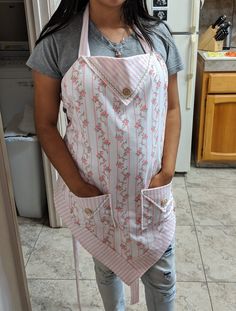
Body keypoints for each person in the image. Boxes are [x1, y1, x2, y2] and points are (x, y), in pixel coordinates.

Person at [26, 0, 183, 310]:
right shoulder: (57, 42)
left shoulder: (159, 35)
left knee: (162, 275)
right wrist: (77, 186)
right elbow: (45, 124)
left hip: (150, 192)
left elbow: (173, 108)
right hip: (96, 191)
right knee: (107, 264)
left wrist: (166, 171)